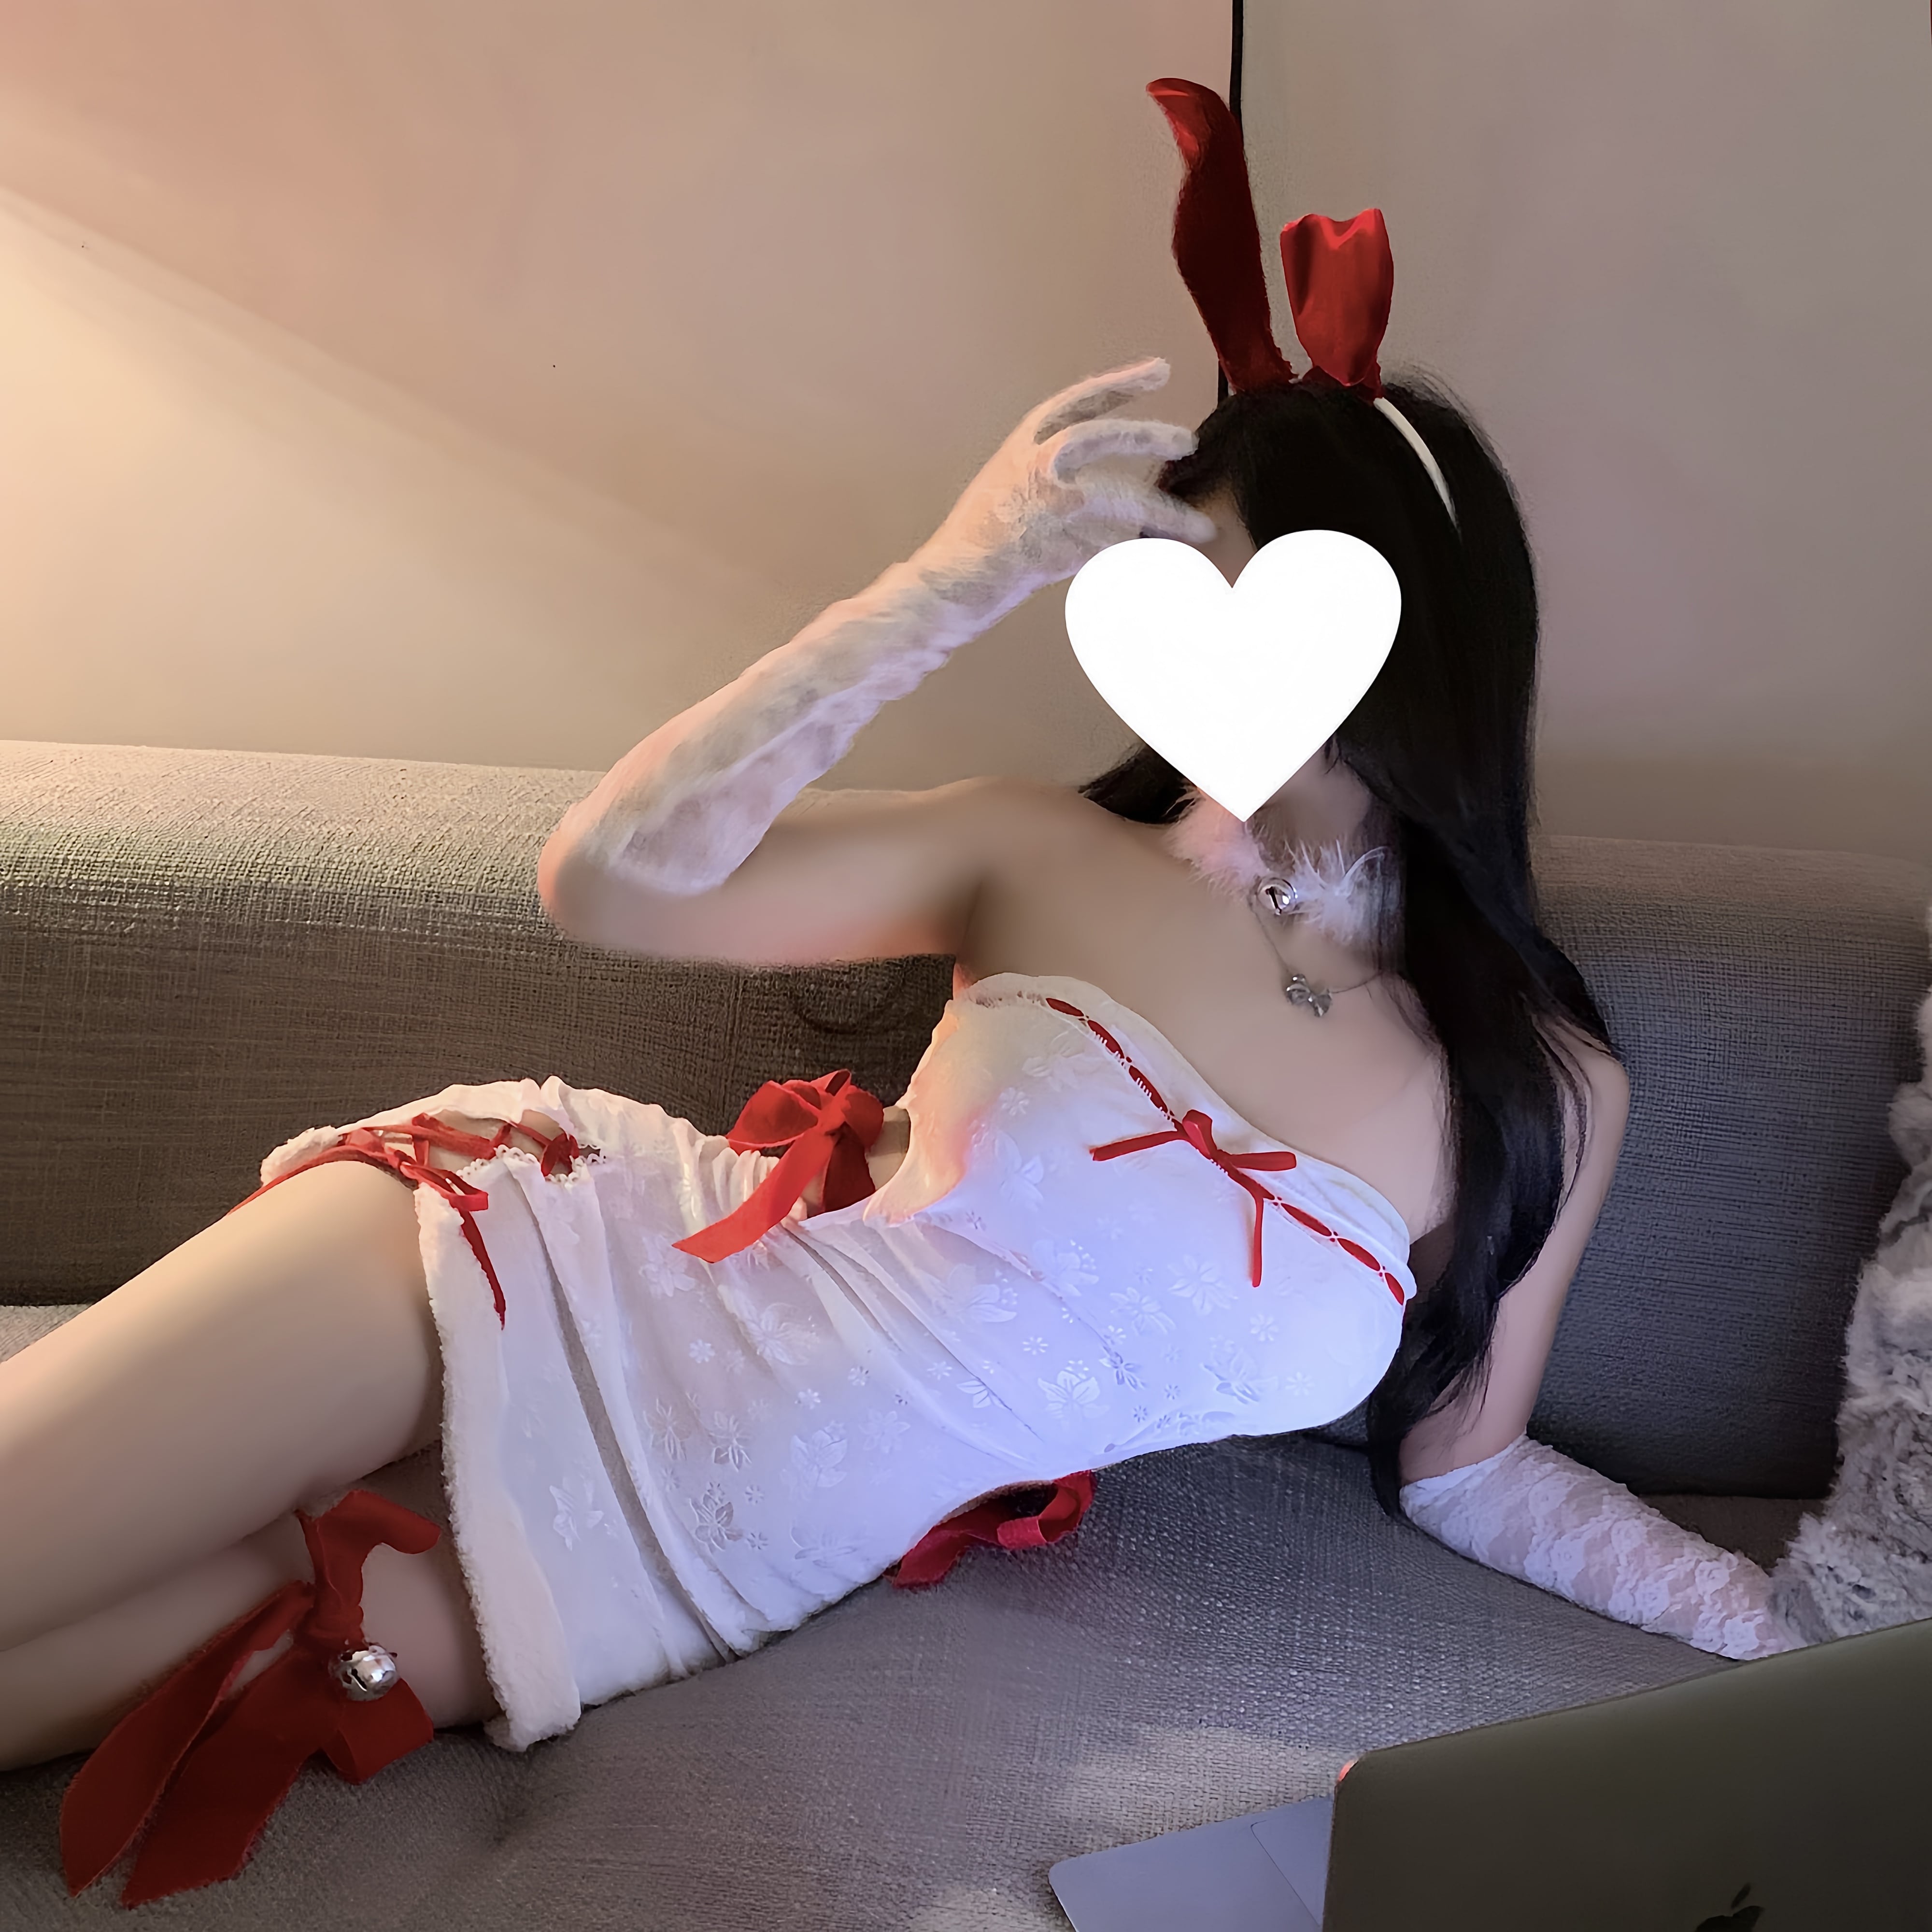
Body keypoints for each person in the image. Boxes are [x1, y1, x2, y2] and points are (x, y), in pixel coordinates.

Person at [0, 74, 1799, 1905]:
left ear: (1405, 626)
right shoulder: (1045, 850)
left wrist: (1792, 1641)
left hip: (673, 1570)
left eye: (1228, 590)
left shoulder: (1547, 1087)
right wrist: (948, 585)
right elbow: (611, 878)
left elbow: (1469, 1469)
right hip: (530, 1261)